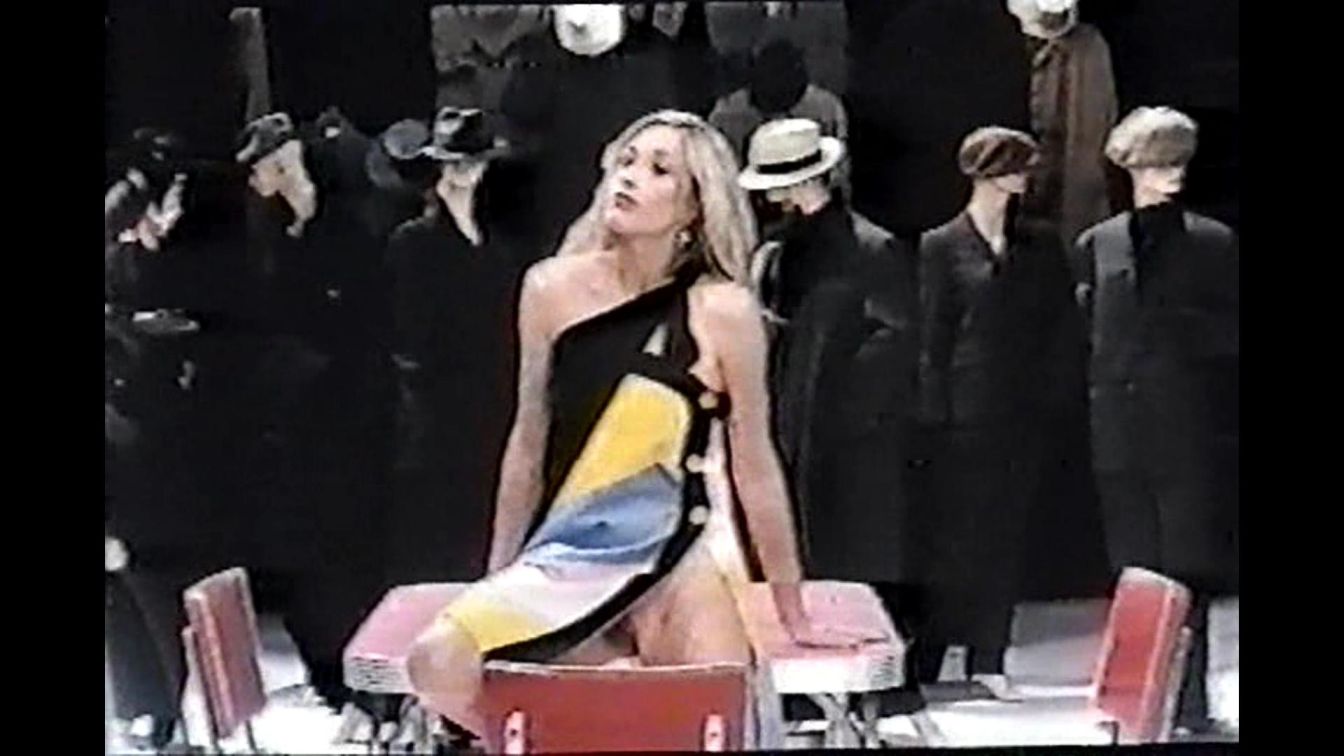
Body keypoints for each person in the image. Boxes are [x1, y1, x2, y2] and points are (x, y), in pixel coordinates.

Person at [406, 110, 881, 737]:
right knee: (436, 659)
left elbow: (756, 466)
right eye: (626, 161)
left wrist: (791, 609)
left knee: (713, 706)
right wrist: (500, 572)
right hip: (569, 552)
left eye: (659, 170)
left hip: (677, 550)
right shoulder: (548, 289)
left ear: (694, 208)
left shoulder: (724, 311)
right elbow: (527, 442)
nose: (629, 177)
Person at [1072, 107, 1239, 736]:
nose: (1172, 174)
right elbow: (1088, 336)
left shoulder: (1214, 243)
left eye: (1179, 162)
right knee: (1135, 573)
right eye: (1159, 163)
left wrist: (1182, 335)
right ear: (1132, 168)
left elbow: (1230, 332)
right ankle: (1134, 702)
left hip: (1189, 430)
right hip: (1119, 431)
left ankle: (1189, 704)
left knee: (1189, 570)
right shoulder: (1098, 245)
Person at [737, 118, 919, 653]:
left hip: (848, 433)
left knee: (853, 549)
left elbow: (896, 338)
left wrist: (846, 407)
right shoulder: (775, 252)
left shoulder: (871, 248)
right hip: (786, 419)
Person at [234, 111, 392, 708]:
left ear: (281, 161)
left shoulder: (349, 226)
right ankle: (328, 675)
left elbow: (366, 325)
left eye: (259, 166)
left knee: (350, 549)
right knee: (307, 551)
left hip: (350, 417)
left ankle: (363, 684)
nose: (253, 180)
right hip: (295, 421)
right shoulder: (272, 233)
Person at [913, 127, 1072, 695]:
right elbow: (931, 338)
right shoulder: (941, 245)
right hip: (959, 420)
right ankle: (929, 657)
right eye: (1016, 168)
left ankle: (989, 659)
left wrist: (1050, 400)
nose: (1025, 178)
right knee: (950, 542)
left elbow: (1057, 325)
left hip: (1020, 414)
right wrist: (933, 416)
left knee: (1005, 539)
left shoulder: (1039, 245)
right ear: (989, 173)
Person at [384, 107, 521, 586]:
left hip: (492, 406)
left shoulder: (499, 245)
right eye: (452, 162)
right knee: (441, 540)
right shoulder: (414, 242)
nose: (461, 172)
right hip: (438, 412)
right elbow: (409, 331)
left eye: (470, 161)